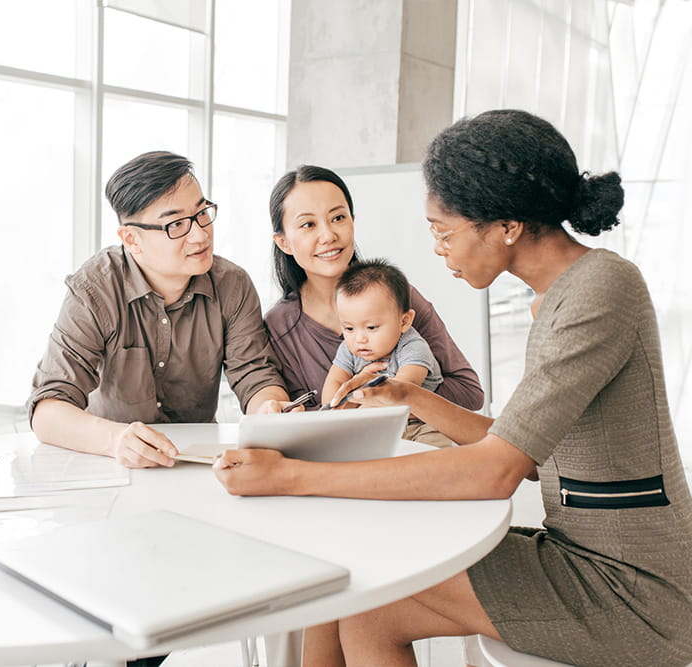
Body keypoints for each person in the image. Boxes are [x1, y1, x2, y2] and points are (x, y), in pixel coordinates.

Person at [214, 109, 692, 666]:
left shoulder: (598, 290)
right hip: (580, 555)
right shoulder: (558, 297)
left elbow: (496, 471)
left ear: (505, 225)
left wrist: (293, 476)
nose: (438, 249)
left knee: (353, 571)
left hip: (633, 588)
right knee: (368, 610)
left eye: (443, 231)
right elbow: (528, 451)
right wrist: (412, 396)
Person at [28, 151, 291, 469]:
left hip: (196, 464)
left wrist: (270, 408)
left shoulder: (232, 284)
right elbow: (48, 410)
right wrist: (115, 440)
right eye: (176, 224)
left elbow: (255, 375)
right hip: (109, 462)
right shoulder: (95, 287)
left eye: (202, 213)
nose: (200, 234)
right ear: (131, 239)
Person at [265, 165, 484, 412]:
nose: (328, 235)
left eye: (338, 218)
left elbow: (469, 393)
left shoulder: (397, 296)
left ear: (353, 222)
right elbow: (298, 418)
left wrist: (392, 391)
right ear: (283, 242)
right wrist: (358, 398)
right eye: (308, 225)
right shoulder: (279, 326)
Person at [323, 258, 449, 447]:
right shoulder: (349, 349)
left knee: (436, 456)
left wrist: (357, 392)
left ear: (404, 321)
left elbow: (400, 392)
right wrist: (343, 397)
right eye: (349, 328)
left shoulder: (413, 347)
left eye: (371, 327)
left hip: (421, 424)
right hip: (373, 426)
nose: (359, 339)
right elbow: (332, 396)